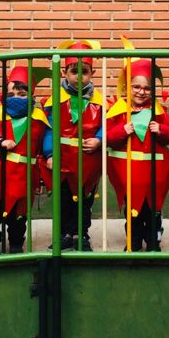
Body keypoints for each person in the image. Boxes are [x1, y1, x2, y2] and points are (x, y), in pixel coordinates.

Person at [105, 58, 169, 252]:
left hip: (154, 176)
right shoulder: (118, 111)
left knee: (153, 212)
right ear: (127, 88)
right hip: (130, 176)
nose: (141, 92)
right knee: (132, 212)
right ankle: (133, 243)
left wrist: (161, 129)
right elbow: (108, 137)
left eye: (146, 88)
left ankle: (153, 243)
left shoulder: (158, 111)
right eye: (136, 87)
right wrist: (123, 130)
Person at [0, 64, 50, 255]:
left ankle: (16, 243)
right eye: (11, 94)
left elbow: (44, 145)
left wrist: (44, 170)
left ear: (31, 95)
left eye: (22, 93)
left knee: (19, 213)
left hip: (23, 175)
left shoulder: (39, 118)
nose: (16, 98)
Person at [43, 40, 104, 251]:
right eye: (74, 71)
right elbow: (49, 128)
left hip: (88, 160)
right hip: (64, 159)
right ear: (64, 72)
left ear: (92, 73)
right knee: (63, 199)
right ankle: (63, 234)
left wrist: (99, 139)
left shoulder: (101, 102)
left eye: (84, 72)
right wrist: (50, 154)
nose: (79, 76)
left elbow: (107, 124)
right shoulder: (55, 100)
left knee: (84, 200)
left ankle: (81, 234)